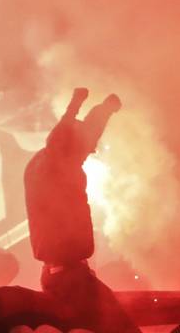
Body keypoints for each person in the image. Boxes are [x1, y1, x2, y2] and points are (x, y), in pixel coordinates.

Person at [24, 88, 136, 333]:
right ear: (70, 147)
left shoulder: (52, 163)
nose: (88, 153)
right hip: (70, 280)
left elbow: (79, 133)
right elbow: (63, 135)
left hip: (66, 275)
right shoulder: (51, 167)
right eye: (85, 149)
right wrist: (75, 104)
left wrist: (105, 110)